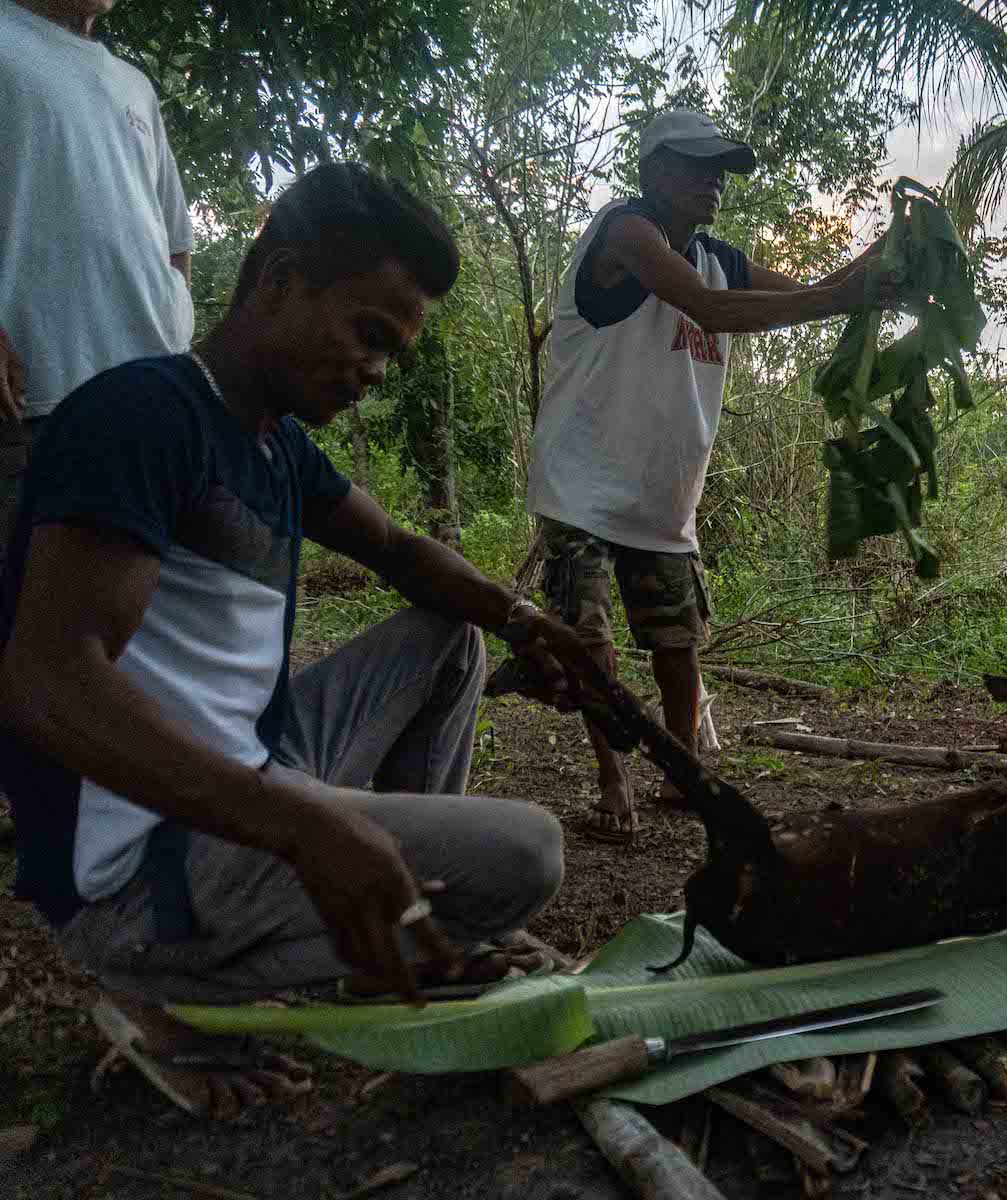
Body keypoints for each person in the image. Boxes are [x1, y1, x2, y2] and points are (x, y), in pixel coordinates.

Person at [0, 164, 601, 1119]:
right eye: (367, 333)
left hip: (256, 766)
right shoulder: (144, 417)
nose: (374, 370)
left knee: (451, 642)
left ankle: (386, 921)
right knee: (528, 854)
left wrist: (528, 622)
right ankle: (160, 987)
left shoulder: (273, 442)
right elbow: (45, 681)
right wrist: (305, 827)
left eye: (392, 353)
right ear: (279, 281)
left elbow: (399, 549)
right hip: (142, 862)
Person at [528, 109, 891, 839]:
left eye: (719, 172)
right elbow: (710, 307)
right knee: (589, 636)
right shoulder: (626, 233)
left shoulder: (721, 255)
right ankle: (613, 777)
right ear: (653, 169)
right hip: (583, 482)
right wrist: (839, 297)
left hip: (664, 499)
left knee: (676, 645)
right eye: (697, 168)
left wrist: (890, 253)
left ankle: (682, 768)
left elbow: (809, 289)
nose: (713, 184)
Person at [0, 0, 195, 549]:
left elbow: (175, 240)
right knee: (30, 619)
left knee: (141, 620)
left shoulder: (133, 85)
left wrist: (176, 328)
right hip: (34, 406)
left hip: (151, 405)